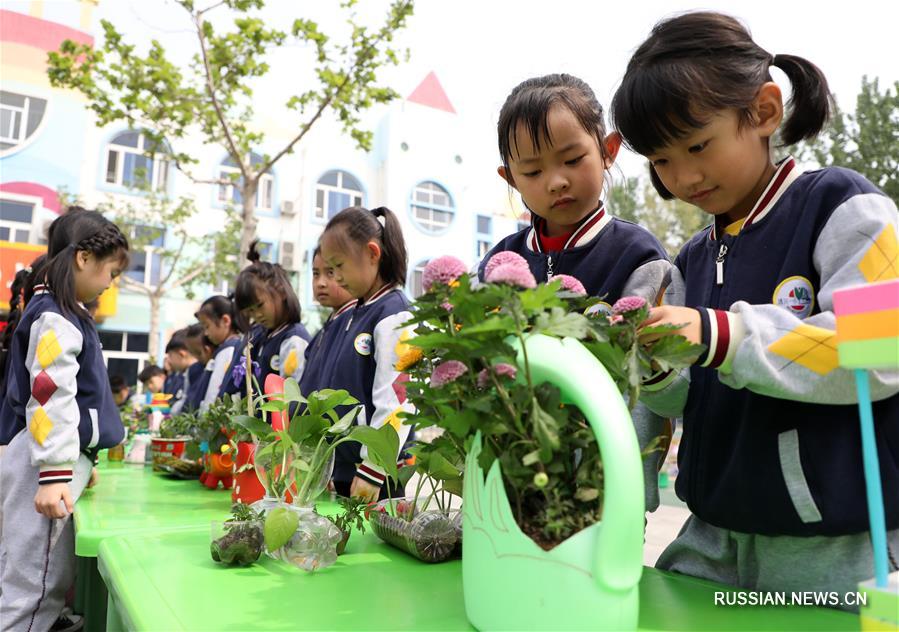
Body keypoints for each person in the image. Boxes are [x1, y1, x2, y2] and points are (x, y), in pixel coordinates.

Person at [611, 11, 899, 607]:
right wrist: (662, 368)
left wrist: (727, 336)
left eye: (697, 145)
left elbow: (882, 353)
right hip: (711, 533)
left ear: (765, 111)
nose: (683, 176)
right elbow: (678, 401)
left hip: (831, 546)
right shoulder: (691, 257)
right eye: (661, 160)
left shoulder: (845, 207)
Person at [479, 73, 672, 512]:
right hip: (509, 489)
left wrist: (621, 490)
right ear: (510, 179)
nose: (556, 181)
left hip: (603, 495)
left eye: (571, 159)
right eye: (533, 170)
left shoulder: (639, 258)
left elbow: (644, 394)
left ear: (608, 151)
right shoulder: (498, 266)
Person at [0, 208, 128, 630]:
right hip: (42, 464)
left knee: (36, 583)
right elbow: (49, 395)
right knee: (33, 592)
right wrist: (56, 472)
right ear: (83, 259)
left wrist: (79, 460)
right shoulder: (56, 315)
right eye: (111, 270)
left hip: (48, 460)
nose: (112, 282)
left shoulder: (60, 310)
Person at [317, 206, 415, 502]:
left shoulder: (394, 314)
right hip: (348, 473)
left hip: (375, 479)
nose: (335, 277)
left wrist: (374, 467)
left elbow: (399, 400)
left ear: (373, 254)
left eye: (338, 266)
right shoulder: (359, 312)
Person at [223, 241, 311, 403]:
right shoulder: (261, 336)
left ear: (281, 291)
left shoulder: (294, 339)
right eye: (250, 311)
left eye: (260, 306)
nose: (257, 315)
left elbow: (290, 401)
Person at [299, 246, 356, 398]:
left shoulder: (355, 324)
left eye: (330, 273)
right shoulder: (328, 327)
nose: (320, 283)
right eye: (316, 274)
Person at [195, 295, 244, 410]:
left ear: (225, 321)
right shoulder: (229, 347)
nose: (206, 334)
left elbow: (214, 393)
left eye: (207, 326)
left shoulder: (229, 350)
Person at [164, 329, 199, 415]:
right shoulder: (183, 375)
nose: (169, 361)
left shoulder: (196, 372)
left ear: (181, 354)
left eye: (170, 356)